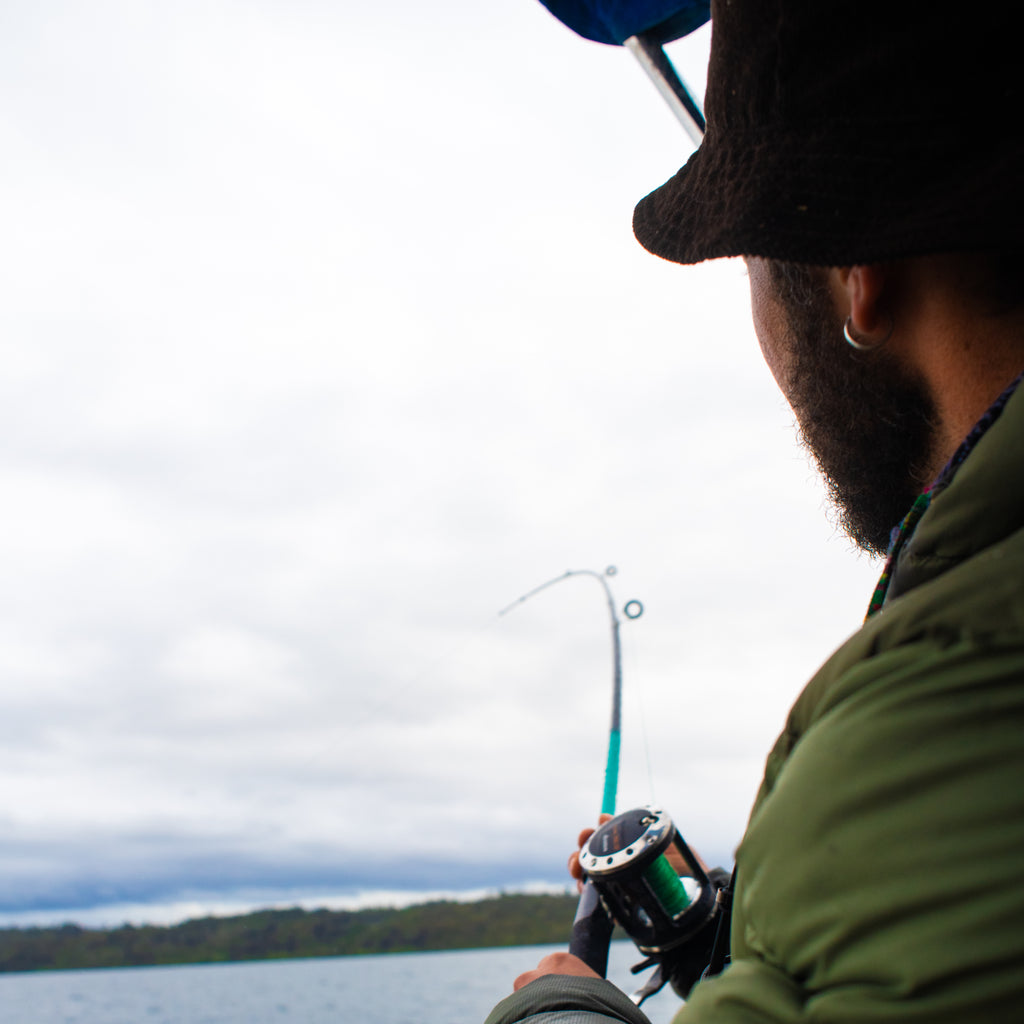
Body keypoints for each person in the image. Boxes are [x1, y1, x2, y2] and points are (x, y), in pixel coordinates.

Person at [484, 0, 1024, 1020]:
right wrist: (731, 931)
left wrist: (562, 1010)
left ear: (855, 280)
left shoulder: (946, 717)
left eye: (751, 263)